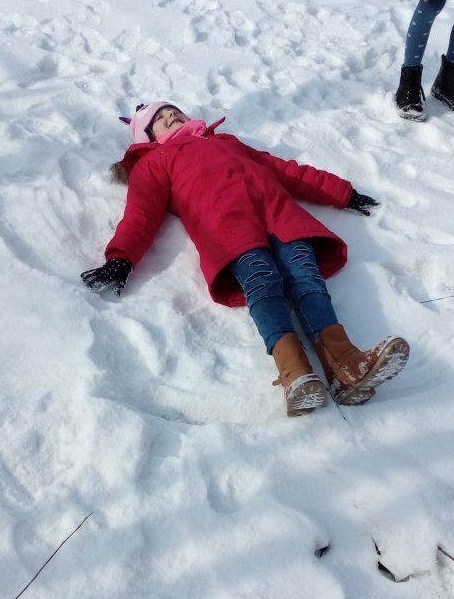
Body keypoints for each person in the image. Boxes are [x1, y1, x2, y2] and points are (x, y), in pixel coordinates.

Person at [81, 102, 410, 416]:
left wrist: (341, 192)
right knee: (262, 283)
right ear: (148, 137)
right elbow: (141, 214)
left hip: (280, 216)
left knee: (306, 277)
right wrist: (121, 258)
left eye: (173, 111)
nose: (170, 117)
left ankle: (346, 365)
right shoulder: (154, 162)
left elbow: (284, 170)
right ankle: (294, 373)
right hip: (228, 229)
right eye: (159, 119)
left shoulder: (226, 141)